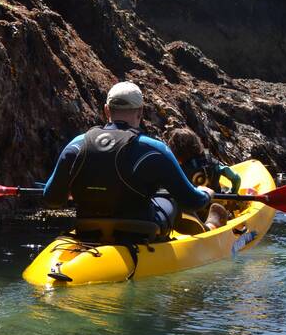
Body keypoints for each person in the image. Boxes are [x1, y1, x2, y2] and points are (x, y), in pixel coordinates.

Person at [42, 81, 214, 240]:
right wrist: (206, 194)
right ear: (140, 112)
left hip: (88, 228)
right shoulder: (154, 149)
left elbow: (52, 199)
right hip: (137, 230)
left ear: (106, 110)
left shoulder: (76, 145)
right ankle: (205, 230)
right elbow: (192, 202)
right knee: (170, 198)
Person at [166, 127, 239, 230]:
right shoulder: (213, 164)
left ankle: (197, 223)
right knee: (221, 195)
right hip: (214, 206)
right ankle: (217, 219)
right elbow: (236, 178)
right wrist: (232, 195)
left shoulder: (178, 171)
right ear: (198, 144)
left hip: (194, 210)